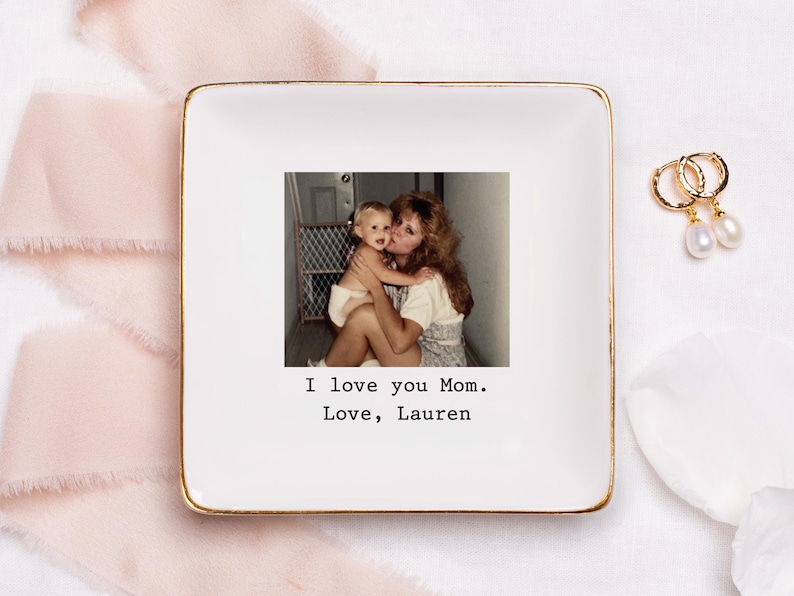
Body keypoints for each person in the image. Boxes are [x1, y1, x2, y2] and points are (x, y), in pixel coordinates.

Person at [312, 191, 473, 367]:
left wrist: (375, 286)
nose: (395, 231)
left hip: (438, 363)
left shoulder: (426, 280)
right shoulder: (392, 267)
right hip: (413, 349)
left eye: (409, 231)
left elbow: (400, 343)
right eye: (398, 221)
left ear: (424, 246)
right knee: (350, 310)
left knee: (364, 315)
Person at [327, 201, 434, 329]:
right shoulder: (367, 251)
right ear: (359, 231)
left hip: (353, 297)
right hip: (345, 301)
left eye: (386, 228)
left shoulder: (372, 251)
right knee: (384, 306)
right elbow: (385, 275)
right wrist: (415, 279)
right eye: (374, 227)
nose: (381, 233)